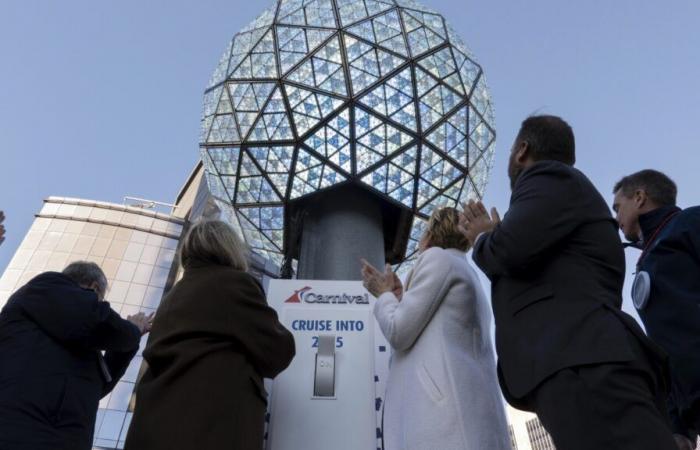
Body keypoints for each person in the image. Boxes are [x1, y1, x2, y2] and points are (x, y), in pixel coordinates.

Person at [460, 115, 678, 449]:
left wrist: (483, 239)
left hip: (583, 365)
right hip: (583, 365)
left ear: (522, 150)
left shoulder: (547, 177)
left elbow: (507, 251)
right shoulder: (562, 193)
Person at [124, 220, 295, 450]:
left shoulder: (173, 296)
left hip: (154, 428)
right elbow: (279, 350)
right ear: (230, 247)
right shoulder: (234, 284)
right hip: (210, 429)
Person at [361, 207, 511, 450]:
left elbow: (398, 332)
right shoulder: (463, 268)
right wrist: (401, 298)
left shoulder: (436, 258)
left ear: (429, 236)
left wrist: (384, 295)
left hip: (443, 422)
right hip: (469, 418)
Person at [0, 261, 151, 450]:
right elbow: (98, 321)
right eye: (101, 298)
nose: (100, 304)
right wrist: (132, 330)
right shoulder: (48, 286)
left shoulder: (74, 332)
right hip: (25, 432)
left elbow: (96, 387)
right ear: (94, 288)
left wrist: (128, 345)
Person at [613, 169, 700, 450]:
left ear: (639, 197)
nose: (616, 219)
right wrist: (679, 425)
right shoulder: (646, 262)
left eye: (617, 207)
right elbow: (664, 347)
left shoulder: (691, 222)